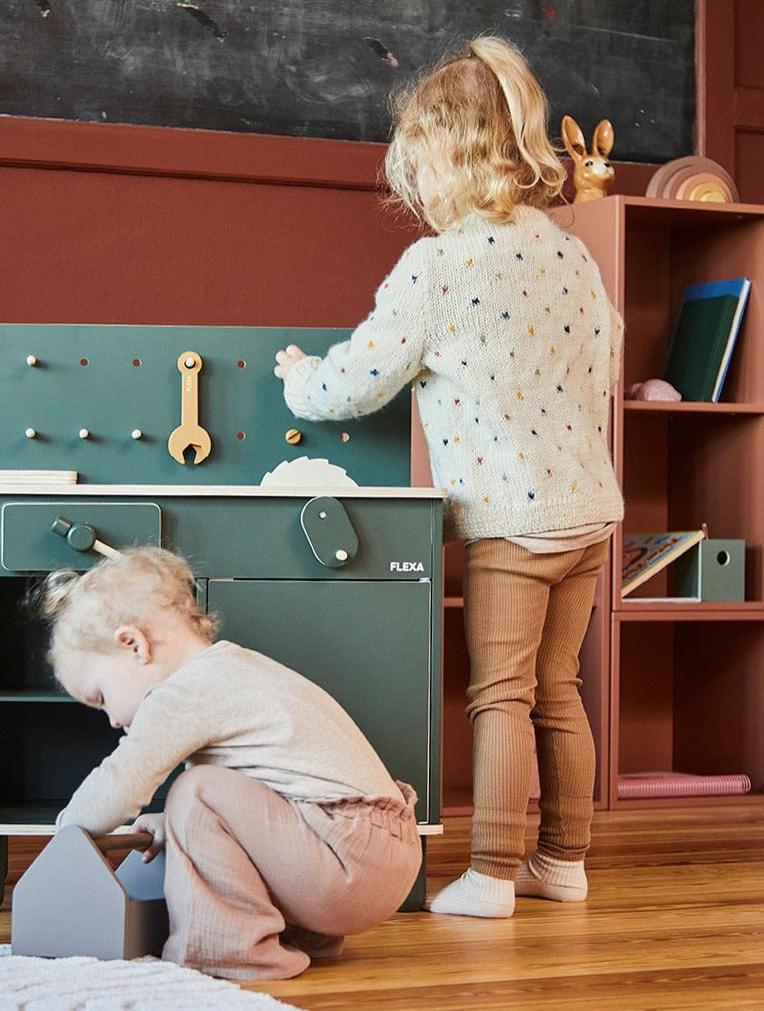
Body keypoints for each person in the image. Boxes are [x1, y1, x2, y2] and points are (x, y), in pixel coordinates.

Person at [274, 36, 624, 919]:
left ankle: (493, 875)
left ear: (444, 161)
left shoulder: (437, 268)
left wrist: (298, 379)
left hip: (510, 522)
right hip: (587, 511)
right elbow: (608, 358)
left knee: (500, 692)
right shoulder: (571, 255)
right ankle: (563, 861)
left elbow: (359, 381)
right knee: (559, 691)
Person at [34, 546, 422, 979]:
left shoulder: (183, 692)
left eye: (102, 697)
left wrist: (66, 831)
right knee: (200, 795)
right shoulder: (235, 669)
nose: (112, 720)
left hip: (349, 857)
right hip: (380, 856)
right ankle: (302, 936)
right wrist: (175, 822)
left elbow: (121, 782)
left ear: (133, 645)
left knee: (197, 790)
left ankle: (226, 951)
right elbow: (267, 793)